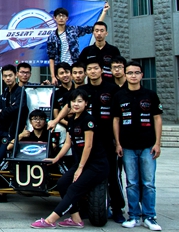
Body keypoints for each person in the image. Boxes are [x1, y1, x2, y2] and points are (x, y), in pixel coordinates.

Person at [51, 58, 125, 223]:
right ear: (86, 72)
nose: (92, 71)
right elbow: (68, 106)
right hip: (85, 141)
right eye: (89, 69)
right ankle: (84, 208)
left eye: (95, 68)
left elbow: (116, 117)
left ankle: (117, 209)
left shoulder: (112, 89)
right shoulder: (82, 90)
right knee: (81, 175)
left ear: (101, 70)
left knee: (113, 176)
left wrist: (118, 141)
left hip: (106, 140)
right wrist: (56, 121)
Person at [30, 89, 109, 229]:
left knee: (74, 188)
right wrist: (56, 158)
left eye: (80, 101)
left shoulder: (88, 120)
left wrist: (80, 168)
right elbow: (68, 143)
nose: (76, 104)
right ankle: (76, 219)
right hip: (81, 163)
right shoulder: (72, 120)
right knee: (62, 183)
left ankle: (49, 220)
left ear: (86, 103)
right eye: (73, 101)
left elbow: (88, 146)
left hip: (96, 165)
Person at [113, 61, 163, 231]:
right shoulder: (119, 96)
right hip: (127, 147)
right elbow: (116, 120)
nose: (133, 76)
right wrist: (118, 143)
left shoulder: (150, 95)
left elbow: (157, 118)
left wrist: (157, 143)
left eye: (136, 72)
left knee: (148, 183)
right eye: (130, 73)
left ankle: (150, 217)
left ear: (142, 75)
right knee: (132, 183)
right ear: (125, 75)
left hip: (148, 146)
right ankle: (134, 216)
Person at [47, 4, 109, 85]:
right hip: (61, 69)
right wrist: (53, 76)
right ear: (55, 18)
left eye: (63, 16)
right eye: (59, 16)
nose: (61, 18)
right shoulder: (52, 36)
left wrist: (104, 12)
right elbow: (51, 57)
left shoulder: (73, 30)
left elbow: (93, 28)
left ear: (67, 18)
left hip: (75, 68)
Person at [0, 64, 22, 171]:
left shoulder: (20, 91)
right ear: (2, 77)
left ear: (16, 75)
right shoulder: (4, 92)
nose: (8, 78)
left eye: (10, 75)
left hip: (11, 133)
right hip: (0, 131)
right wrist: (6, 111)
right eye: (5, 76)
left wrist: (3, 111)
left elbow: (17, 108)